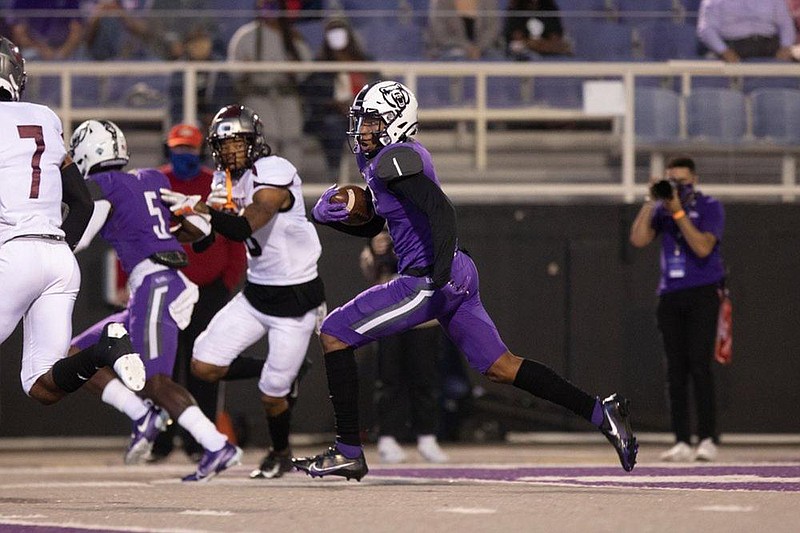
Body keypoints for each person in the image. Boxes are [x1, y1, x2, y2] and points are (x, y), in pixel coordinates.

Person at [292, 80, 638, 481]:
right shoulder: (391, 160)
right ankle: (602, 412)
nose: (362, 130)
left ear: (394, 122)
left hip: (429, 277)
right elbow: (391, 219)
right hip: (457, 272)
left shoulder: (395, 159)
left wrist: (433, 277)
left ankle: (349, 450)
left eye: (370, 121)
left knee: (334, 331)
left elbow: (442, 212)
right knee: (502, 366)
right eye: (361, 122)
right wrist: (328, 218)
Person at [67, 118, 242, 482]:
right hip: (159, 284)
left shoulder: (102, 184)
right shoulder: (150, 179)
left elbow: (81, 236)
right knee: (76, 354)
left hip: (155, 285)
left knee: (157, 382)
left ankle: (216, 444)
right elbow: (197, 231)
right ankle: (141, 415)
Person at [159, 104, 326, 480]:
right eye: (224, 144)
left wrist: (203, 209)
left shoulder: (275, 171)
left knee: (272, 394)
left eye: (238, 142)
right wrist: (182, 224)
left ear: (254, 142)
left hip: (296, 297)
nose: (232, 151)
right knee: (202, 364)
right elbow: (204, 241)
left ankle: (280, 452)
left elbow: (241, 228)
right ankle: (290, 370)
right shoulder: (223, 181)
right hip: (257, 293)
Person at [0, 36, 145, 408]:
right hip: (58, 259)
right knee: (41, 385)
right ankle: (104, 349)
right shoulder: (45, 118)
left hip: (14, 253)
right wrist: (54, 253)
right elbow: (80, 203)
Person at [149, 123, 247, 461]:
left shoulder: (216, 184)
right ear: (168, 150)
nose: (183, 156)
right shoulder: (157, 183)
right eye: (178, 149)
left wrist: (228, 280)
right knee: (161, 367)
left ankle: (199, 442)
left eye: (189, 149)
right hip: (168, 287)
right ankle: (159, 442)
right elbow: (141, 232)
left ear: (200, 151)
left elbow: (235, 234)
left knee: (203, 365)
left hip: (209, 290)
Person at [629, 156, 725, 462]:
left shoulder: (709, 206)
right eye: (671, 181)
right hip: (671, 294)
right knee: (675, 370)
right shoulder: (661, 210)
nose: (676, 187)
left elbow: (703, 247)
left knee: (699, 365)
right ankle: (682, 439)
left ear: (694, 180)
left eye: (681, 181)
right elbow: (638, 239)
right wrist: (650, 200)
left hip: (702, 292)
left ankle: (707, 438)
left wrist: (679, 212)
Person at [361, 230, 449, 464]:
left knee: (425, 379)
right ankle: (387, 437)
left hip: (423, 314)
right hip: (390, 314)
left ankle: (427, 437)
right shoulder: (382, 231)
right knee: (389, 378)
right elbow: (371, 270)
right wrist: (375, 252)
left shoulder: (429, 228)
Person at [227, 0, 313, 165]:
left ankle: (291, 178)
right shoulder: (246, 35)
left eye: (274, 6)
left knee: (292, 138)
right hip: (257, 93)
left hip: (286, 94)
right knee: (268, 136)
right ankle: (268, 179)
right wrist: (245, 67)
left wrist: (294, 69)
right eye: (266, 6)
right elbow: (233, 69)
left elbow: (306, 68)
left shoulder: (291, 36)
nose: (270, 11)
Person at [300, 17, 375, 175]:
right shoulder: (321, 65)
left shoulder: (365, 62)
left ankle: (375, 172)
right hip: (333, 114)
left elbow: (377, 87)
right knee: (332, 125)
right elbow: (314, 94)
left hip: (364, 113)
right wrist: (335, 104)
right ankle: (335, 173)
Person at [697, 0, 796, 62]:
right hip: (734, 46)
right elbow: (707, 30)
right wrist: (724, 51)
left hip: (770, 45)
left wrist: (786, 46)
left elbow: (785, 23)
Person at [426, 0, 504, 60]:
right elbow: (441, 34)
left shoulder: (488, 2)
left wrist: (478, 48)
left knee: (497, 59)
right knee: (457, 57)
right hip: (449, 47)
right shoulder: (440, 2)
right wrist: (468, 47)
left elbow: (493, 28)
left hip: (484, 48)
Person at [8, 0, 84, 60]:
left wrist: (63, 52)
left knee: (82, 56)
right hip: (35, 50)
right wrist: (42, 50)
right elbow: (20, 34)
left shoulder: (70, 1)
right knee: (26, 57)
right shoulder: (22, 1)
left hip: (66, 50)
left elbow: (76, 30)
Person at [504, 0, 572, 60]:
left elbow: (555, 37)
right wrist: (530, 44)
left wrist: (539, 45)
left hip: (548, 56)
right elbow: (516, 38)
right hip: (522, 57)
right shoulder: (516, 7)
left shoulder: (550, 7)